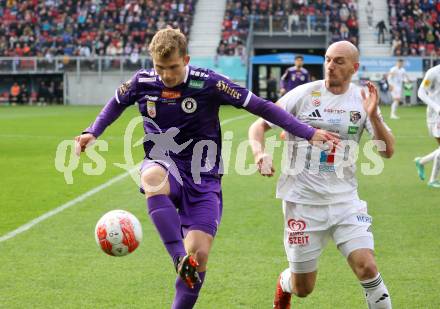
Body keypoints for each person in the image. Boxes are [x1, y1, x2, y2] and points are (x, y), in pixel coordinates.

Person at [74, 28, 338, 309]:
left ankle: (183, 281)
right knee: (152, 177)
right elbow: (115, 104)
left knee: (198, 257)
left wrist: (307, 132)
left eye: (173, 67)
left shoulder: (209, 83)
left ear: (186, 59)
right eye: (160, 68)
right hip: (164, 164)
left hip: (204, 177)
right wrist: (93, 131)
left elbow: (261, 106)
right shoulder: (142, 81)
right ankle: (177, 257)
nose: (166, 75)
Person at [248, 41, 394, 309]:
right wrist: (260, 154)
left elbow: (388, 152)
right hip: (302, 203)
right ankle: (285, 283)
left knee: (368, 267)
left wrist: (372, 116)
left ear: (354, 67)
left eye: (339, 61)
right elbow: (258, 126)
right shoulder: (302, 94)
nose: (330, 66)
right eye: (328, 59)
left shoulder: (363, 100)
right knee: (304, 288)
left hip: (345, 201)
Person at [415, 64, 440, 188]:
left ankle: (422, 161)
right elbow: (421, 92)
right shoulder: (433, 72)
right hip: (436, 116)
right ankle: (432, 180)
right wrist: (437, 107)